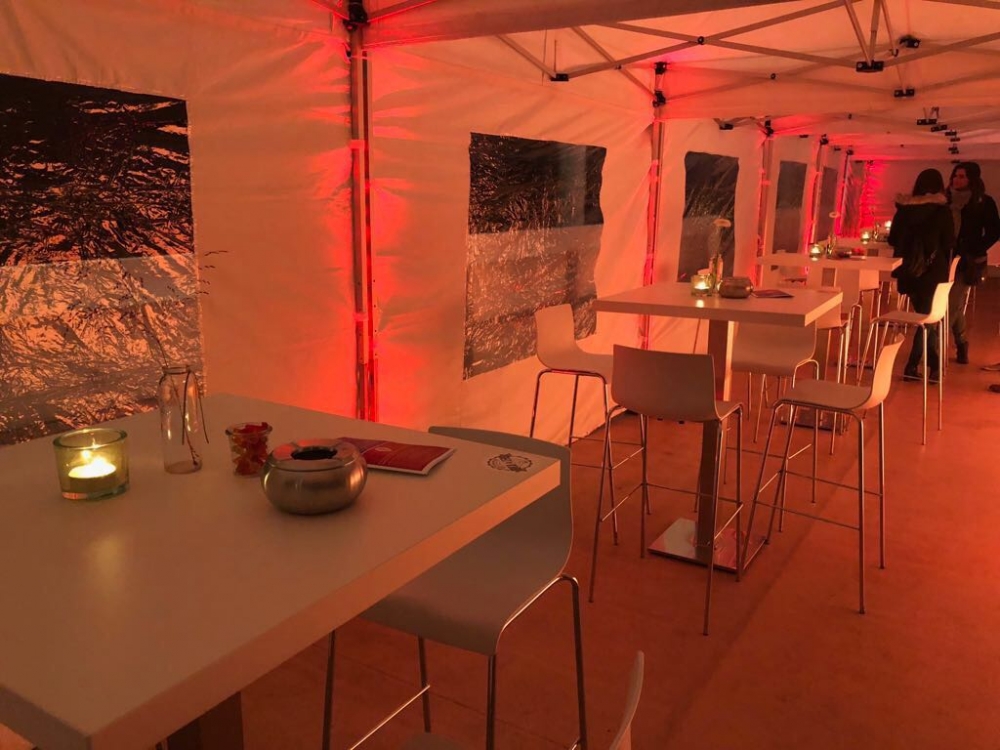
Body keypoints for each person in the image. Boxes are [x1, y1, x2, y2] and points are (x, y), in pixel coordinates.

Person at [888, 168, 954, 382]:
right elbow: (949, 242)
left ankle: (930, 365)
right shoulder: (942, 211)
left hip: (908, 271)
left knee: (924, 318)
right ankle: (915, 365)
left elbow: (892, 239)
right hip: (933, 272)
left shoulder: (904, 209)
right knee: (927, 320)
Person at [947, 162, 1000, 364]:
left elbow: (994, 231)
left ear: (972, 179)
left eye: (962, 176)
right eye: (955, 175)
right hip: (945, 259)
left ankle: (935, 348)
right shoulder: (945, 200)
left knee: (952, 304)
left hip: (968, 262)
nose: (957, 180)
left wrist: (976, 247)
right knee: (953, 304)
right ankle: (962, 343)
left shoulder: (983, 202)